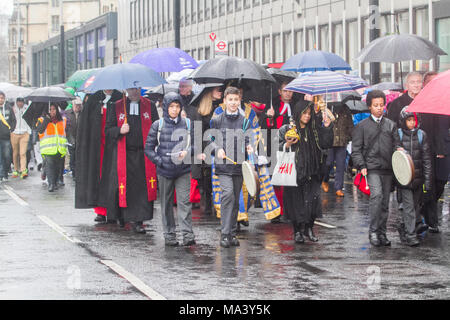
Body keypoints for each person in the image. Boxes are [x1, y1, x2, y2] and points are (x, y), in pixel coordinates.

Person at [101, 87, 159, 234]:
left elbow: (158, 127)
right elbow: (108, 131)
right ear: (126, 89)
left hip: (143, 155)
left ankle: (139, 220)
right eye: (132, 89)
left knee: (141, 189)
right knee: (124, 187)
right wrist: (120, 130)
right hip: (124, 155)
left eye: (137, 89)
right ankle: (123, 216)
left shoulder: (149, 105)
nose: (135, 92)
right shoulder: (117, 106)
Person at [278, 102, 334, 244]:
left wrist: (327, 127)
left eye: (309, 113)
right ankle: (297, 231)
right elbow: (276, 147)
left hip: (314, 170)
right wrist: (288, 144)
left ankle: (309, 228)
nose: (307, 116)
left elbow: (326, 144)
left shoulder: (314, 129)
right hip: (295, 171)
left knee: (313, 201)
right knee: (296, 202)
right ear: (298, 113)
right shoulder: (288, 129)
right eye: (304, 113)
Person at [352, 90, 402, 247]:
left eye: (382, 105)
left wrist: (399, 151)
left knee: (385, 202)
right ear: (369, 106)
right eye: (376, 105)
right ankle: (373, 231)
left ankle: (382, 232)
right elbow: (356, 149)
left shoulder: (391, 125)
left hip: (388, 168)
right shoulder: (361, 126)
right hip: (371, 168)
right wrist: (361, 165)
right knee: (377, 197)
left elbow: (396, 145)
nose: (379, 108)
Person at [145, 92, 195, 246]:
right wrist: (159, 161)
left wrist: (188, 152)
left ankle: (187, 235)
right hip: (164, 170)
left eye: (177, 106)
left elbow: (196, 144)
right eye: (171, 106)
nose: (175, 109)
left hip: (183, 170)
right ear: (166, 107)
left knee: (184, 203)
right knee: (166, 204)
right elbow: (148, 148)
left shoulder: (187, 123)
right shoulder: (157, 125)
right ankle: (169, 235)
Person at [207, 86, 252, 248]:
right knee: (228, 195)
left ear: (240, 101)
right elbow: (209, 139)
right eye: (230, 100)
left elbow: (249, 140)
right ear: (224, 101)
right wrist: (217, 148)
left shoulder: (245, 121)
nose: (233, 103)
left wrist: (249, 147)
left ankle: (232, 233)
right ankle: (224, 234)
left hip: (238, 167)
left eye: (236, 99)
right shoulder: (217, 120)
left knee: (235, 201)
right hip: (223, 167)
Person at [75, 90, 123, 224]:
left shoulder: (120, 98)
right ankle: (100, 211)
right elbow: (86, 125)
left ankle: (114, 210)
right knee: (98, 177)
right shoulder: (94, 99)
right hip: (98, 147)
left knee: (114, 178)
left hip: (114, 144)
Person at [396, 107, 432, 247]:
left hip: (418, 179)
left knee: (415, 206)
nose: (411, 123)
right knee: (408, 206)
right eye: (409, 120)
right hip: (404, 180)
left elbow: (427, 161)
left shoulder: (422, 135)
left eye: (414, 120)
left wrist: (427, 182)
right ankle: (411, 234)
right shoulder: (398, 135)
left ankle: (405, 227)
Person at [419, 71, 449, 232]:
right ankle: (432, 220)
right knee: (428, 185)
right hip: (426, 150)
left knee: (441, 182)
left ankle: (425, 208)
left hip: (444, 149)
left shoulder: (446, 102)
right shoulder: (422, 104)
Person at [190, 84, 223, 216]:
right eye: (218, 90)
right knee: (207, 177)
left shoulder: (220, 107)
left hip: (219, 146)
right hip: (206, 148)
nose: (220, 92)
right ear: (210, 92)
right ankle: (208, 204)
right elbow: (197, 132)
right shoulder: (201, 111)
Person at [322, 102, 354, 197]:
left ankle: (338, 188)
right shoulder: (326, 108)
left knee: (340, 165)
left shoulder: (346, 109)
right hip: (329, 141)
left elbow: (350, 125)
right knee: (328, 163)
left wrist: (349, 137)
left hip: (342, 141)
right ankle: (325, 179)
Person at [36, 103, 68, 192]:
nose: (52, 111)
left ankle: (55, 181)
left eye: (54, 109)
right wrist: (47, 119)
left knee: (57, 167)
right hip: (47, 149)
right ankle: (51, 184)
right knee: (50, 166)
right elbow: (39, 130)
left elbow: (66, 132)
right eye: (50, 109)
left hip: (59, 148)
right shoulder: (41, 119)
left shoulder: (62, 120)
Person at [65, 97, 82, 179]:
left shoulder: (83, 113)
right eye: (76, 105)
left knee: (79, 157)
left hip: (81, 139)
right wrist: (70, 139)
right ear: (73, 105)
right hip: (70, 138)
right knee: (72, 156)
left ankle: (78, 172)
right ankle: (74, 172)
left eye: (79, 105)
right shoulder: (67, 113)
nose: (78, 107)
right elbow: (66, 128)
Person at [0, 91, 15, 182]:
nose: (0, 99)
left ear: (4, 98)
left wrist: (11, 130)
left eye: (2, 97)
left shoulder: (9, 108)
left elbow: (13, 120)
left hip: (6, 137)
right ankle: (1, 174)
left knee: (7, 156)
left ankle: (5, 172)